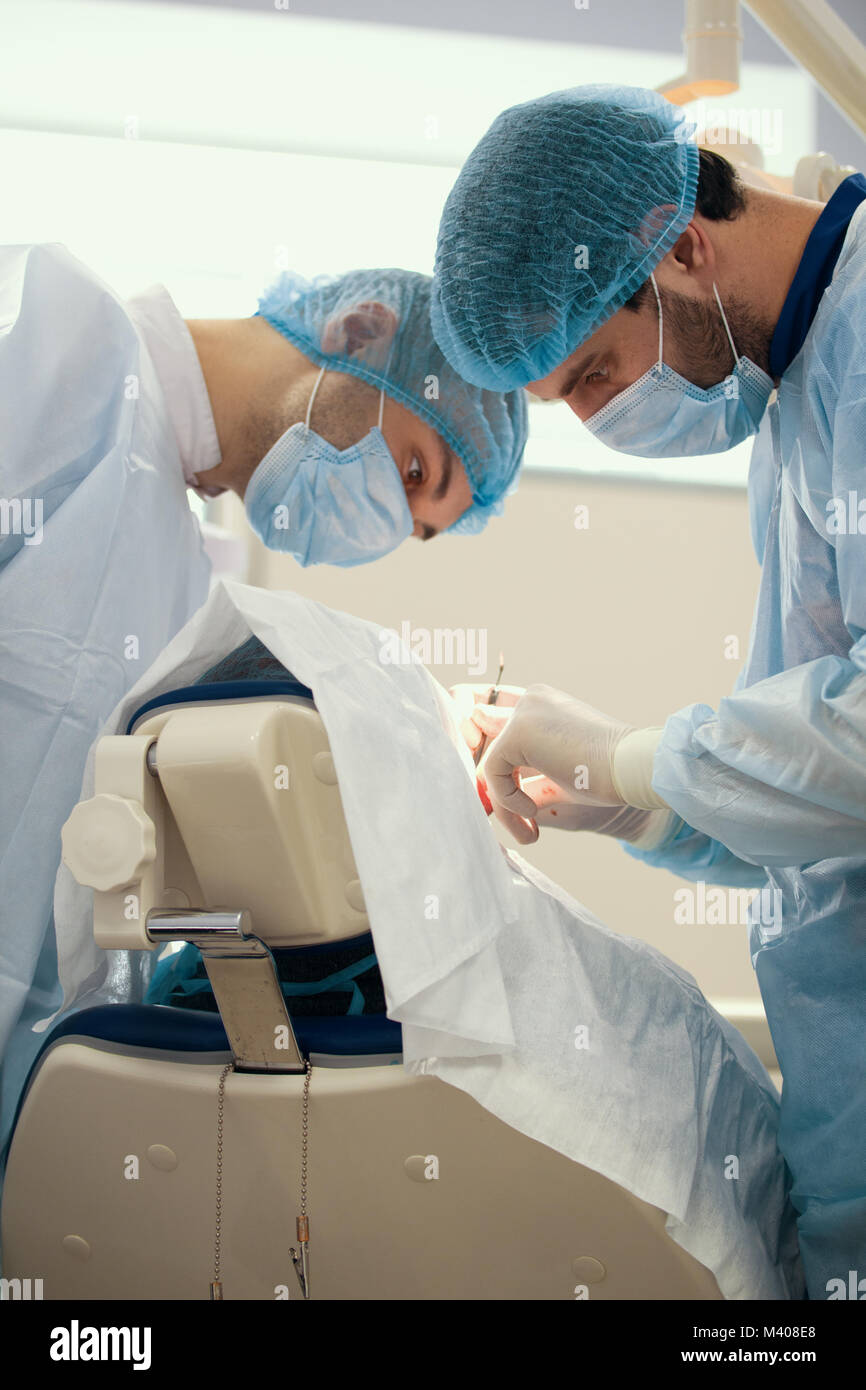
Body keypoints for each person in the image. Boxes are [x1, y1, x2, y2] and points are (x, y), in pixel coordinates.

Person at [433, 84, 866, 1299]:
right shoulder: (798, 410)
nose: (598, 418)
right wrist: (634, 808)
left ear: (680, 245)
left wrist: (636, 759)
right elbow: (821, 819)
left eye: (590, 376)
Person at [0, 245, 527, 1165]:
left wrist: (421, 731)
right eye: (411, 472)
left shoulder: (179, 571)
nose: (385, 530)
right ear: (359, 329)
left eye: (416, 531)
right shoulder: (54, 336)